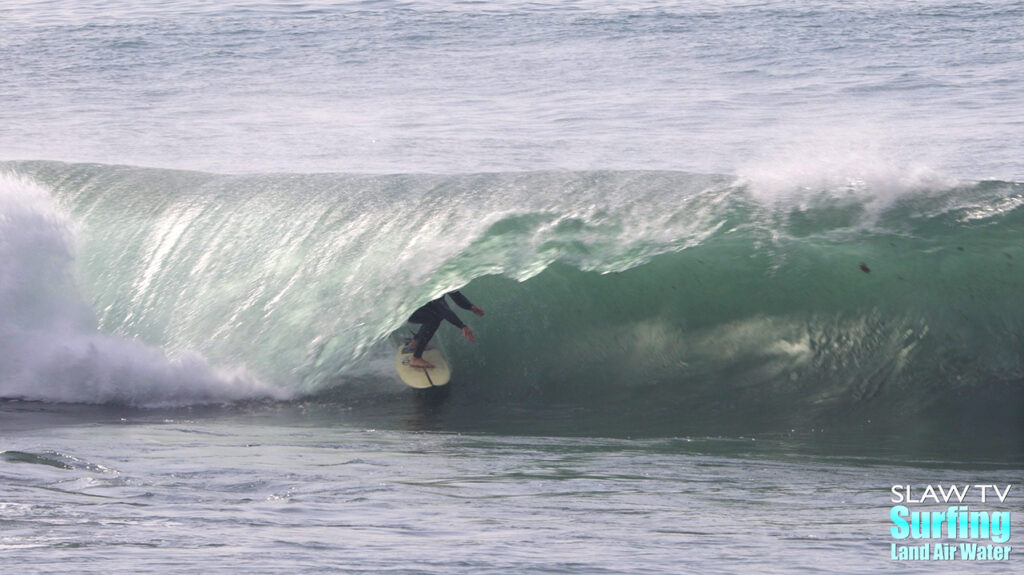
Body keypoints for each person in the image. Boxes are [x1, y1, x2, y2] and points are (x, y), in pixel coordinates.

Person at [405, 291, 484, 369]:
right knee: (434, 319)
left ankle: (416, 342)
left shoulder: (444, 280)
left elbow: (456, 295)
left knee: (436, 315)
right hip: (408, 309)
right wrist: (462, 326)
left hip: (416, 305)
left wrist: (470, 306)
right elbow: (443, 309)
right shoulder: (435, 285)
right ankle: (416, 358)